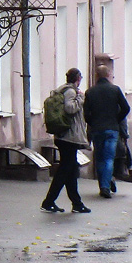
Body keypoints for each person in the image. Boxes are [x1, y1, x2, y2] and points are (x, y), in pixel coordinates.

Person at [41, 68, 90, 214]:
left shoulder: (64, 90)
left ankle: (76, 203)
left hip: (65, 136)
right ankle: (48, 201)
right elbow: (70, 108)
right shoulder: (70, 92)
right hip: (68, 137)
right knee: (65, 170)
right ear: (78, 78)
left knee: (71, 169)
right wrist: (81, 99)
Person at [83, 64, 131, 198]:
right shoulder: (115, 90)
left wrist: (93, 123)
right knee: (109, 158)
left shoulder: (90, 92)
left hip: (97, 129)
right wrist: (116, 119)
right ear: (108, 75)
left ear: (96, 75)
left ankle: (103, 184)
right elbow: (126, 108)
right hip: (112, 129)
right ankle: (106, 185)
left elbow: (86, 114)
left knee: (99, 157)